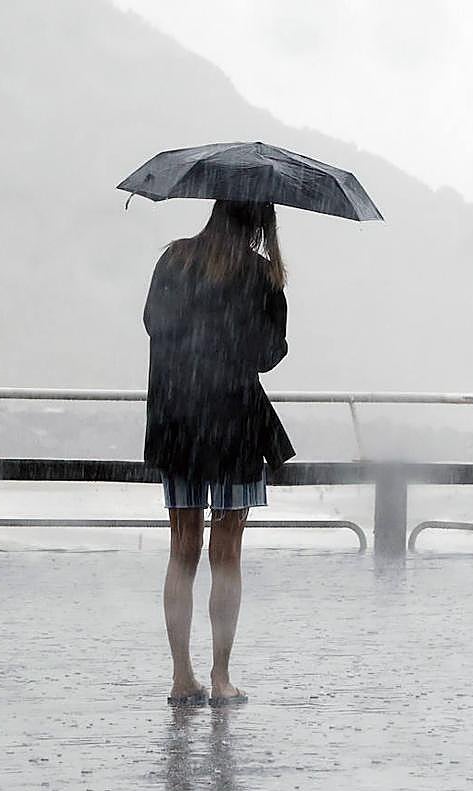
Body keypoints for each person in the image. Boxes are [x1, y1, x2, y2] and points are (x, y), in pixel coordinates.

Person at [143, 199, 295, 708]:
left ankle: (181, 676)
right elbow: (269, 355)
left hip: (178, 419)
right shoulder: (260, 276)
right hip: (233, 423)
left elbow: (153, 325)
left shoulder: (174, 260)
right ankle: (222, 675)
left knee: (182, 547)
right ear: (259, 220)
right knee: (226, 550)